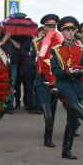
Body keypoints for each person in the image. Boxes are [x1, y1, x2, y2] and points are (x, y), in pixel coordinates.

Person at [50, 16, 83, 159]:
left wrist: (81, 71)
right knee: (71, 100)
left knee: (71, 119)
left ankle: (66, 150)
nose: (70, 33)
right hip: (63, 84)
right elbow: (55, 71)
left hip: (77, 83)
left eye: (72, 30)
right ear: (62, 32)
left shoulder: (81, 49)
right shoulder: (56, 50)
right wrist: (67, 71)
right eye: (67, 30)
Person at [31, 14, 62, 148]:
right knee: (47, 111)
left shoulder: (61, 43)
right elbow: (30, 59)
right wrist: (36, 59)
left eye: (53, 26)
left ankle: (48, 138)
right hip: (41, 82)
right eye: (49, 26)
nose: (51, 29)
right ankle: (48, 136)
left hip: (56, 82)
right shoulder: (37, 43)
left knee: (53, 110)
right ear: (44, 27)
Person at [0, 23, 21, 114]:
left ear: (1, 29)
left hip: (12, 65)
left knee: (11, 85)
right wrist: (5, 39)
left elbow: (18, 46)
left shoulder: (8, 38)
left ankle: (9, 105)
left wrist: (10, 38)